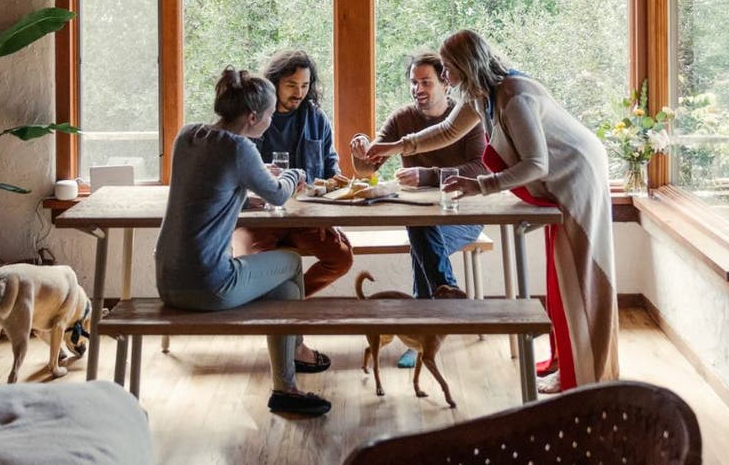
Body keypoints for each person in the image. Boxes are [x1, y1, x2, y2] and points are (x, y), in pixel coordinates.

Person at [365, 30, 618, 394]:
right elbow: (447, 131)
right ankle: (569, 361)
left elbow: (535, 164)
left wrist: (479, 186)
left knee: (581, 279)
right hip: (560, 178)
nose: (446, 77)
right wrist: (393, 147)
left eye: (448, 69)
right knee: (561, 280)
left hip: (577, 174)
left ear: (466, 67)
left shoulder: (514, 97)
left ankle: (589, 376)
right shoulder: (481, 95)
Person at [155, 67, 331, 416]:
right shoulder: (239, 149)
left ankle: (286, 387)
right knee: (292, 261)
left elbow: (213, 189)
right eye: (268, 115)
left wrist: (256, 173)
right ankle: (294, 354)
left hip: (167, 280)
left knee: (285, 294)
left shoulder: (188, 135)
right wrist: (294, 172)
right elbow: (280, 196)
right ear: (253, 117)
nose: (271, 120)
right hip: (209, 285)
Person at [350, 52, 488, 367]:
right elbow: (366, 168)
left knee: (420, 235)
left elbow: (481, 167)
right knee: (420, 227)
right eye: (413, 82)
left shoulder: (467, 116)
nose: (417, 88)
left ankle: (421, 329)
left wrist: (428, 176)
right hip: (421, 215)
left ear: (446, 84)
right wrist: (359, 148)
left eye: (426, 81)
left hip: (464, 214)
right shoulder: (401, 119)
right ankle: (445, 297)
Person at [235, 50, 354, 299]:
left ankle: (290, 301)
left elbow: (332, 173)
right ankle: (282, 314)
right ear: (275, 82)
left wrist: (328, 217)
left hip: (304, 216)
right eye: (291, 85)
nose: (298, 93)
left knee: (341, 258)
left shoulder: (316, 118)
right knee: (251, 267)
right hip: (260, 217)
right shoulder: (253, 117)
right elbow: (236, 176)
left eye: (304, 85)